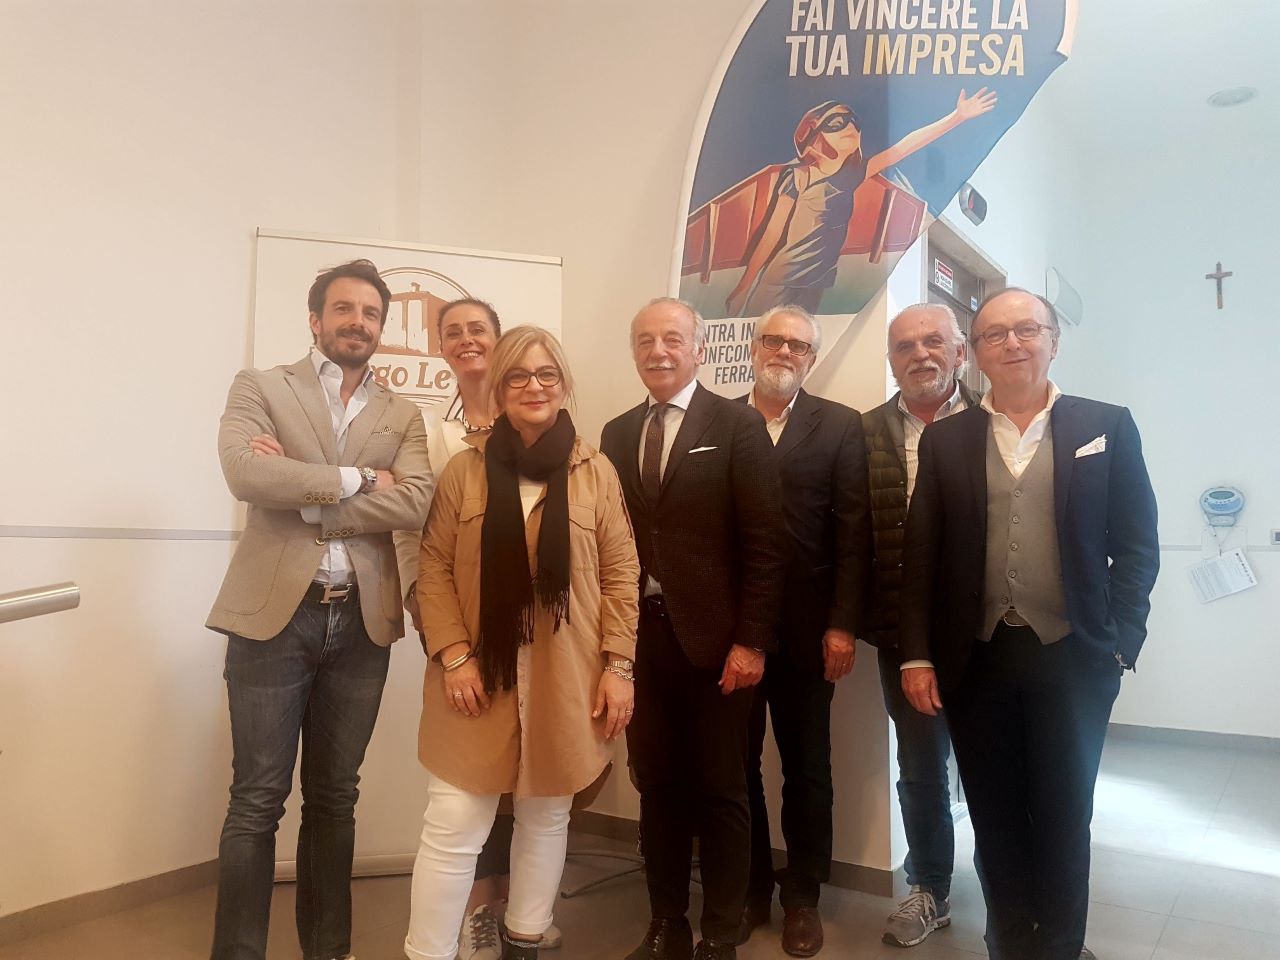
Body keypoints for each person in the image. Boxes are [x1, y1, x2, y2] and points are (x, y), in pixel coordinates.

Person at [900, 288, 1159, 960]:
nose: (1012, 343)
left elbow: (1137, 545)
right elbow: (921, 554)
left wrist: (1123, 641)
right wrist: (917, 655)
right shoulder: (948, 439)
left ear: (1053, 340)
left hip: (1074, 654)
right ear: (975, 353)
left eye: (1026, 329)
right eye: (994, 334)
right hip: (977, 656)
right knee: (995, 813)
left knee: (1066, 813)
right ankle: (1011, 943)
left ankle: (1062, 947)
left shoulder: (1106, 425)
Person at [206, 258, 433, 960]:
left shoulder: (403, 413)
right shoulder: (262, 385)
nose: (357, 322)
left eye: (370, 313)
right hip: (273, 618)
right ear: (315, 319)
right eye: (344, 309)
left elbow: (417, 500)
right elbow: (246, 472)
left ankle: (328, 951)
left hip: (361, 621)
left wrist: (303, 493)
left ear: (381, 327)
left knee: (335, 798)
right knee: (257, 799)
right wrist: (360, 478)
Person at [404, 326, 640, 960]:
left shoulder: (596, 472)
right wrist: (454, 655)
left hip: (569, 674)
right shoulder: (465, 470)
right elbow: (433, 567)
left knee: (547, 816)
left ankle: (525, 938)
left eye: (546, 374)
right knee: (455, 821)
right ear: (500, 387)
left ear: (563, 384)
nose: (533, 386)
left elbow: (622, 574)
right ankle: (428, 953)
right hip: (475, 673)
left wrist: (619, 666)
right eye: (518, 376)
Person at [600, 297, 785, 960]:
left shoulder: (736, 425)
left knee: (721, 787)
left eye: (673, 338)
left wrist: (751, 641)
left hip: (718, 645)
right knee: (656, 784)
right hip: (639, 642)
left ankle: (720, 933)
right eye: (645, 339)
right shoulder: (616, 433)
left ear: (700, 349)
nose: (659, 350)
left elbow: (766, 543)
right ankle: (667, 923)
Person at [393, 299, 562, 960]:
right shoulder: (432, 436)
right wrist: (438, 630)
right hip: (458, 626)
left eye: (479, 330)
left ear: (501, 341)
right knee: (466, 791)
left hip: (542, 643)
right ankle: (473, 914)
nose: (467, 341)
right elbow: (420, 533)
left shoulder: (557, 443)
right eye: (453, 332)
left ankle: (511, 911)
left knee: (529, 792)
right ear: (440, 346)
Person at [736, 306, 872, 958]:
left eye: (798, 344)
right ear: (754, 347)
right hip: (734, 633)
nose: (784, 351)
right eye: (774, 340)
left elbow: (853, 534)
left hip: (809, 633)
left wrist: (842, 624)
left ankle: (802, 897)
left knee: (807, 770)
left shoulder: (840, 426)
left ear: (812, 358)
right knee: (735, 768)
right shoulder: (722, 420)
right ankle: (749, 889)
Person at [861, 303, 978, 948]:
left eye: (934, 341)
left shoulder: (994, 422)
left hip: (989, 629)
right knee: (923, 767)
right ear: (891, 360)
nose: (920, 355)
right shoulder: (867, 432)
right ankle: (929, 887)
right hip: (903, 634)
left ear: (960, 352)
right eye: (905, 346)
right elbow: (851, 533)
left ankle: (1015, 891)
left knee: (1001, 764)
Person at [725, 89, 997, 317]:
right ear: (813, 136)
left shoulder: (852, 175)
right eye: (836, 122)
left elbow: (903, 148)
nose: (850, 127)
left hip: (817, 280)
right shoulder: (799, 176)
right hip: (780, 280)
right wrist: (744, 286)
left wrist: (957, 117)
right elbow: (772, 232)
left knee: (804, 349)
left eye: (852, 121)